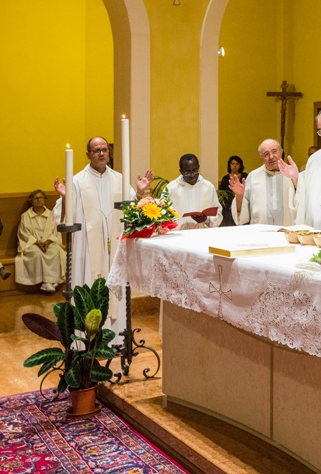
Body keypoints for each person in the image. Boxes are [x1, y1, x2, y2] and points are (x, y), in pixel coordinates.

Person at [53, 137, 153, 341]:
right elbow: (62, 217)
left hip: (114, 247)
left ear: (109, 153)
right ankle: (87, 343)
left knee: (114, 290)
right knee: (89, 285)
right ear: (88, 154)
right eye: (96, 150)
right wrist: (64, 198)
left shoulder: (119, 179)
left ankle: (116, 340)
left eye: (104, 150)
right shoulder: (77, 181)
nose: (101, 153)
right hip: (88, 249)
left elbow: (131, 211)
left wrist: (139, 193)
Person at [229, 139, 295, 225]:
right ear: (261, 158)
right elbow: (242, 214)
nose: (271, 157)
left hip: (288, 230)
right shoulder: (253, 176)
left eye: (274, 151)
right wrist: (239, 197)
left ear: (281, 152)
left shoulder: (292, 174)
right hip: (260, 230)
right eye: (266, 154)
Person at [15, 189, 65, 293]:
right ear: (31, 201)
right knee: (37, 254)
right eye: (36, 198)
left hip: (48, 243)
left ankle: (50, 281)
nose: (38, 200)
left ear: (44, 200)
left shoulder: (51, 214)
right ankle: (47, 282)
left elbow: (55, 232)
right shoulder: (26, 216)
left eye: (40, 198)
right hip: (32, 244)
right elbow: (24, 233)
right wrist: (37, 243)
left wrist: (48, 242)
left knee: (55, 252)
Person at [164, 154, 222, 230]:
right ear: (181, 171)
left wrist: (206, 219)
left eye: (195, 171)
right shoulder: (171, 189)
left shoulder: (208, 187)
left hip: (203, 233)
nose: (192, 175)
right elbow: (163, 215)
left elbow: (218, 213)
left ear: (199, 167)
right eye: (188, 172)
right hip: (179, 234)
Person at [219, 155, 246, 227]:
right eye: (232, 164)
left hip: (243, 205)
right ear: (229, 165)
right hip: (228, 207)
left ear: (240, 165)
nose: (235, 166)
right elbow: (222, 194)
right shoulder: (225, 178)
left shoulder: (245, 176)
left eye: (237, 164)